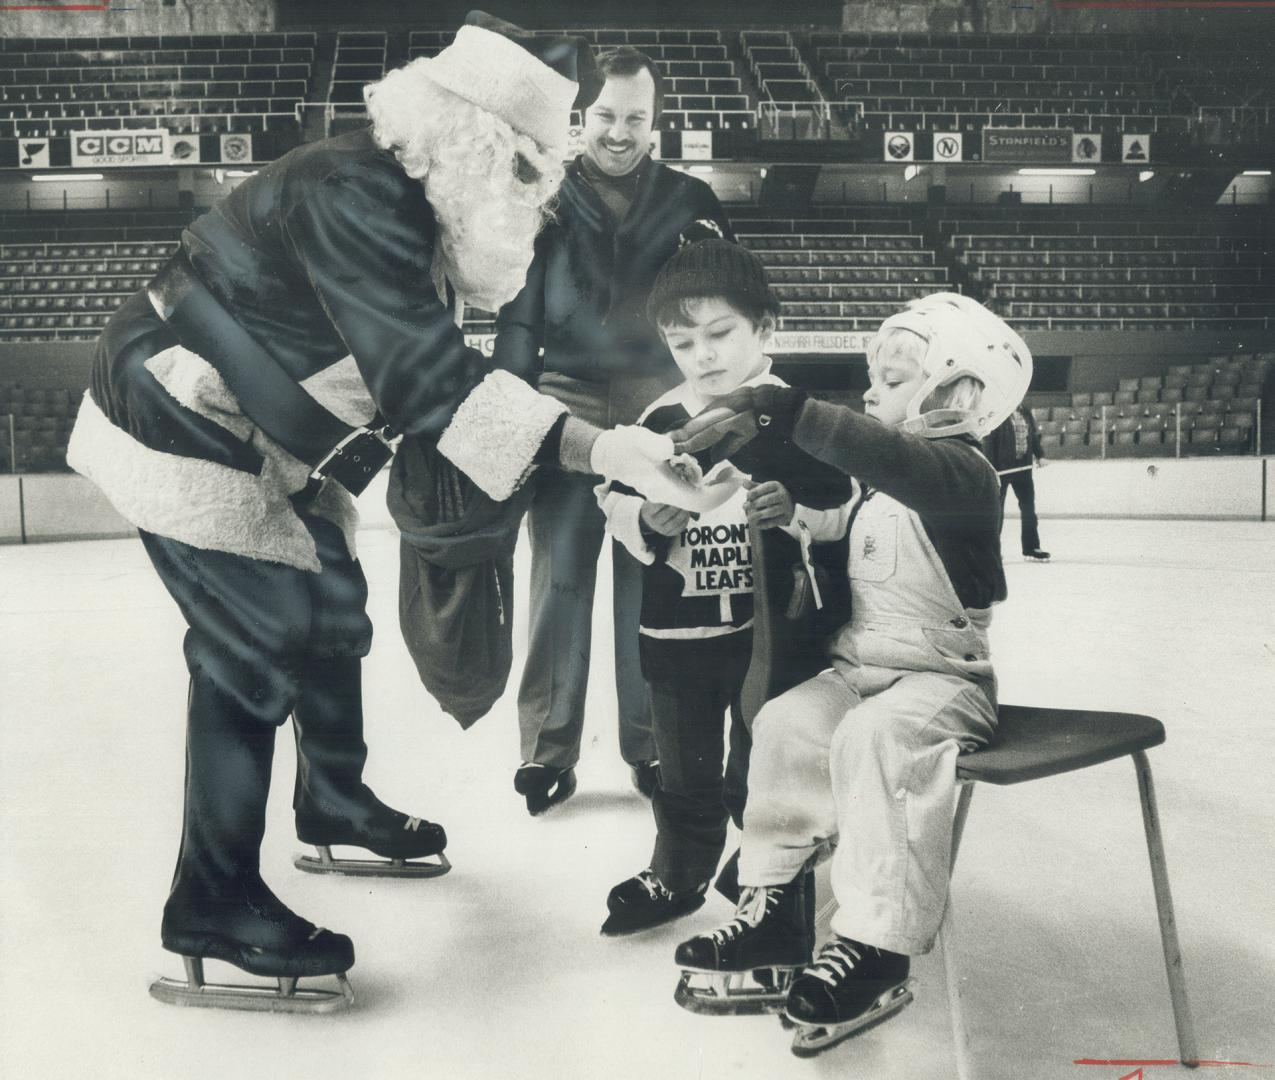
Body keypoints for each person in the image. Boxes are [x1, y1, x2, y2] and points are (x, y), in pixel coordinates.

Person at [65, 12, 696, 1013]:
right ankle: (212, 901)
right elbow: (430, 384)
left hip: (275, 434)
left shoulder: (420, 199)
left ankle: (332, 798)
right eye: (531, 168)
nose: (541, 192)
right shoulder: (354, 193)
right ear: (479, 141)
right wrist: (596, 445)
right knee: (259, 634)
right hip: (182, 412)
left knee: (334, 608)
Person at [667, 294, 1031, 1056]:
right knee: (787, 723)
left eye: (894, 379)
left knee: (875, 737)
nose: (870, 390)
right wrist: (793, 511)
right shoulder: (884, 482)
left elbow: (892, 461)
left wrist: (789, 409)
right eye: (872, 377)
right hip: (861, 665)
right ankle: (775, 910)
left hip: (942, 683)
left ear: (957, 394)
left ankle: (874, 944)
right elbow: (848, 520)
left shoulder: (964, 475)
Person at [492, 46, 735, 816]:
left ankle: (651, 745)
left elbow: (715, 318)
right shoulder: (544, 194)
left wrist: (710, 409)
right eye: (605, 115)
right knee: (559, 578)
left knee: (649, 579)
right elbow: (516, 314)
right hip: (561, 402)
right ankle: (545, 751)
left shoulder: (693, 198)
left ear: (654, 121)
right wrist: (507, 407)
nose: (619, 132)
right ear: (580, 117)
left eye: (635, 117)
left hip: (657, 406)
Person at [595, 241, 849, 936]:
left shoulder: (802, 418)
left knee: (764, 764)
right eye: (682, 343)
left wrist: (796, 514)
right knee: (683, 768)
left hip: (775, 636)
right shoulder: (658, 422)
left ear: (766, 329)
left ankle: (766, 872)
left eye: (719, 335)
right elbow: (612, 501)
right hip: (678, 631)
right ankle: (678, 870)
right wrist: (644, 514)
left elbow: (844, 513)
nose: (701, 356)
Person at [985, 403, 1050, 561]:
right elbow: (989, 440)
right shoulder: (998, 412)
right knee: (996, 511)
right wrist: (989, 467)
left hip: (1023, 468)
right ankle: (993, 551)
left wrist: (1039, 455)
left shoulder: (1025, 412)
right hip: (1001, 469)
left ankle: (1031, 547)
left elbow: (1032, 435)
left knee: (1028, 509)